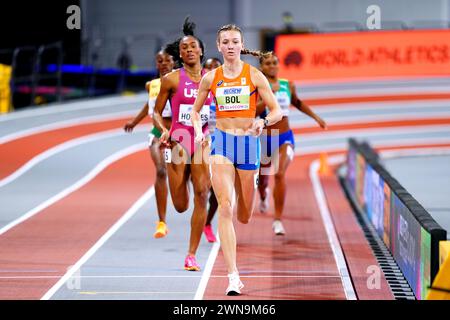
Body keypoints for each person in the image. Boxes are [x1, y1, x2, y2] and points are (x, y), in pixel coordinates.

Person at [191, 24, 283, 295]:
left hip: (248, 146)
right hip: (221, 143)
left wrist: (262, 121)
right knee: (226, 207)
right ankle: (233, 276)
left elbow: (276, 110)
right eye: (226, 42)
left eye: (235, 42)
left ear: (241, 46)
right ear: (219, 46)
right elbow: (196, 113)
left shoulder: (254, 75)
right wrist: (199, 133)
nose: (230, 46)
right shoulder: (211, 78)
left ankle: (248, 195)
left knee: (244, 214)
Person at [153, 18, 212, 271]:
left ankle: (191, 254)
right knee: (180, 205)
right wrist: (164, 130)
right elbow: (156, 112)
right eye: (184, 48)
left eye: (192, 47)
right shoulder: (171, 80)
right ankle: (181, 182)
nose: (189, 50)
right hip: (178, 140)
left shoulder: (213, 79)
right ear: (180, 53)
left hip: (201, 140)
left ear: (201, 50)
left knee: (202, 193)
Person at [256, 53, 327, 235]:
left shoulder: (288, 85)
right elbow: (254, 110)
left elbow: (297, 102)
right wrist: (268, 95)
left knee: (279, 174)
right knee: (263, 181)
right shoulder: (257, 86)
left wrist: (317, 118)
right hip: (264, 140)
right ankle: (263, 196)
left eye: (274, 63)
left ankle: (278, 220)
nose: (272, 66)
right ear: (262, 68)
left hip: (284, 138)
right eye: (268, 63)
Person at [123, 49, 174, 238]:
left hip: (177, 134)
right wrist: (134, 122)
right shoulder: (151, 85)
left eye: (167, 60)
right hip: (156, 133)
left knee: (183, 176)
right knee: (161, 172)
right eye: (159, 61)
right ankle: (162, 222)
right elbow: (149, 106)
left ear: (174, 63)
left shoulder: (178, 83)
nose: (163, 63)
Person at [202, 57, 222, 243]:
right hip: (201, 142)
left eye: (216, 66)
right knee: (204, 186)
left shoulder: (226, 89)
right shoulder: (200, 91)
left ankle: (207, 223)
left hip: (223, 141)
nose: (212, 69)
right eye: (208, 67)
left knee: (216, 192)